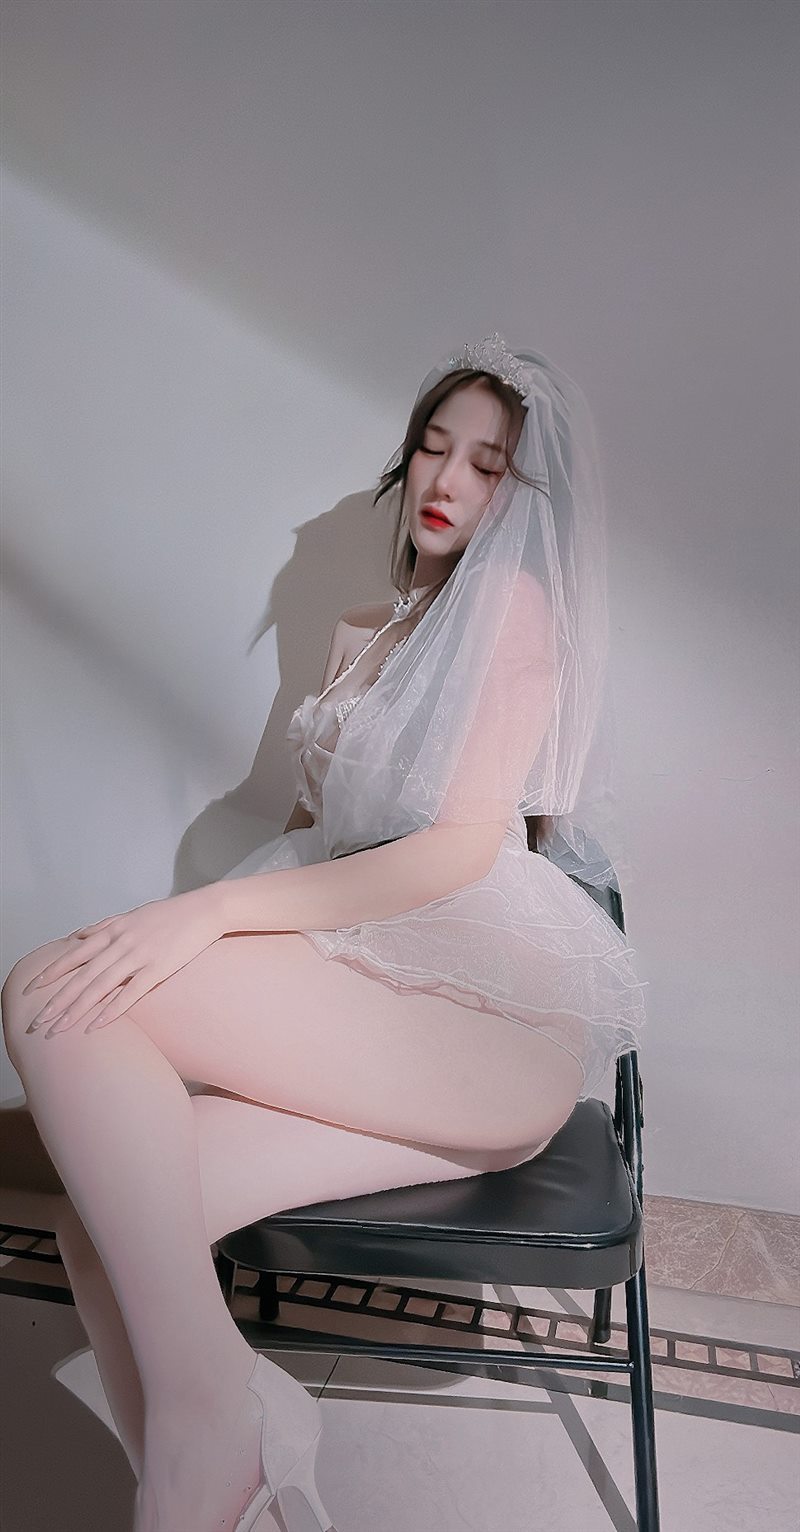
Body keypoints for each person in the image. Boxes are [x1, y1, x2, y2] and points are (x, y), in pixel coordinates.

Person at [1, 335, 646, 1532]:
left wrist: (204, 914)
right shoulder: (365, 633)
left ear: (524, 496)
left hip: (478, 1025)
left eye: (486, 464)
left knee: (50, 987)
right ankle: (204, 1489)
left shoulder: (513, 608)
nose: (444, 479)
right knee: (94, 1223)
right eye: (432, 447)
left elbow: (454, 852)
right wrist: (224, 940)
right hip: (379, 1014)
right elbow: (320, 845)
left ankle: (218, 1423)